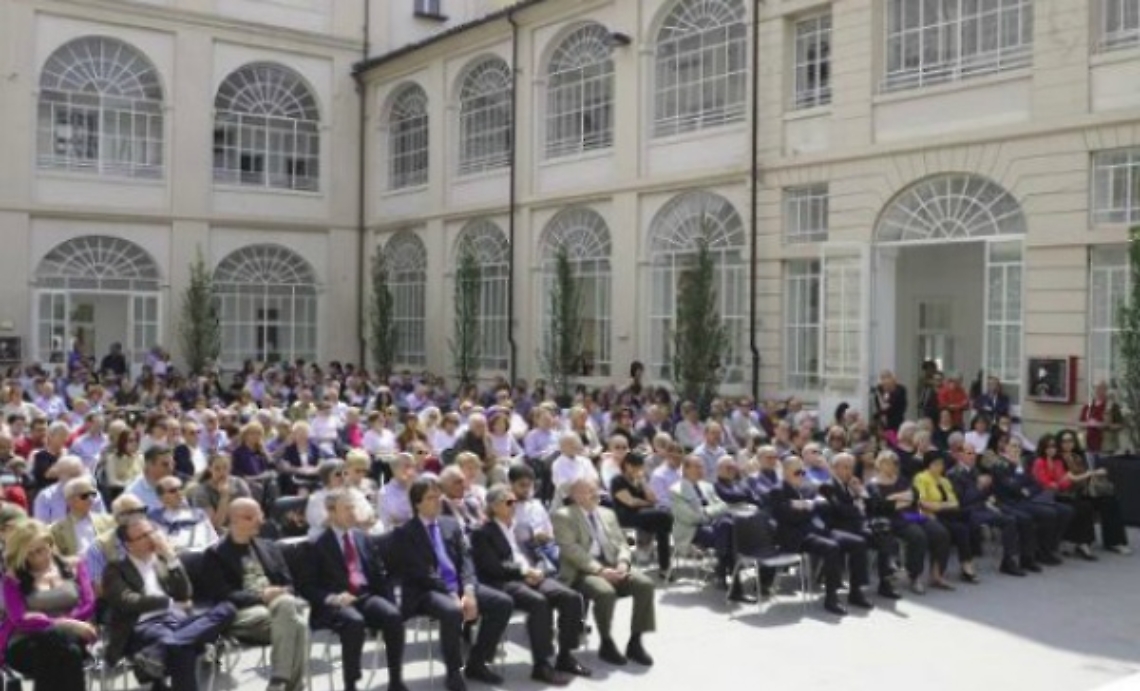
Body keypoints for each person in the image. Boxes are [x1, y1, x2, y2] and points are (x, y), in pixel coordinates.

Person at [391, 477, 513, 691]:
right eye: (431, 498)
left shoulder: (450, 524)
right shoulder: (405, 532)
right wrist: (450, 593)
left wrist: (469, 590)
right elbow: (421, 572)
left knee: (502, 603)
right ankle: (453, 671)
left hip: (460, 586)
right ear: (417, 503)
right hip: (425, 591)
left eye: (438, 497)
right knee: (452, 611)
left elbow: (466, 560)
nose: (437, 502)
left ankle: (477, 663)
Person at [471, 485, 590, 685]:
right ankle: (542, 665)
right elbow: (492, 566)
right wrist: (523, 572)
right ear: (494, 506)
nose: (514, 505)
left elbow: (538, 554)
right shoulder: (483, 532)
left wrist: (540, 570)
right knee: (539, 603)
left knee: (571, 597)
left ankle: (565, 656)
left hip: (533, 576)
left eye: (515, 501)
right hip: (505, 580)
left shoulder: (523, 527)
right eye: (509, 502)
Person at [102, 516, 237, 691]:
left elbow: (185, 592)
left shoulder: (162, 561)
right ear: (129, 545)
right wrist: (167, 603)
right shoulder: (115, 569)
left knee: (227, 609)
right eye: (142, 536)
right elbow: (127, 601)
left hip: (177, 621)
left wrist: (171, 557)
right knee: (183, 649)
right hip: (144, 626)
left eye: (151, 532)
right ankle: (165, 649)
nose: (151, 538)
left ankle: (159, 650)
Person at [200, 499, 309, 691]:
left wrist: (279, 592)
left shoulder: (269, 547)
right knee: (297, 623)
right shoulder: (215, 554)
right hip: (241, 613)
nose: (259, 521)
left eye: (260, 516)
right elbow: (222, 594)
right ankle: (289, 685)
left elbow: (289, 584)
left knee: (291, 613)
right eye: (250, 517)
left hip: (278, 609)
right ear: (233, 520)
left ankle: (279, 681)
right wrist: (261, 596)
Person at [552, 478, 655, 667]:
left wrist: (623, 562)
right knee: (605, 592)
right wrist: (600, 570)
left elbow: (623, 542)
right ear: (575, 496)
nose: (596, 494)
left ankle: (635, 642)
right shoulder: (563, 516)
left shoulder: (607, 513)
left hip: (613, 564)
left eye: (596, 490)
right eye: (589, 491)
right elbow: (571, 550)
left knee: (645, 585)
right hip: (582, 571)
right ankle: (606, 643)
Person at [0, 520, 97, 691]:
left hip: (71, 638)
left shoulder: (74, 566)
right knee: (66, 651)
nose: (38, 557)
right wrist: (66, 624)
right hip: (26, 642)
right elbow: (20, 620)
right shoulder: (13, 578)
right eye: (30, 554)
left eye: (41, 550)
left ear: (51, 544)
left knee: (62, 649)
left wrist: (54, 623)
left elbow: (88, 604)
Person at [769, 456, 872, 615]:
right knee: (831, 548)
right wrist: (810, 507)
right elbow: (789, 517)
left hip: (815, 530)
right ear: (785, 472)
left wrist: (806, 506)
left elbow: (823, 507)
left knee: (858, 542)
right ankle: (831, 597)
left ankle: (856, 591)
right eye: (797, 472)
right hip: (796, 536)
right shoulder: (778, 490)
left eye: (803, 472)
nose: (801, 475)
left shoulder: (804, 488)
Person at [818, 453, 903, 599]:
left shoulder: (851, 484)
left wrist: (861, 491)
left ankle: (886, 582)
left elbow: (873, 506)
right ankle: (857, 590)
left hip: (856, 525)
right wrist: (857, 505)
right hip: (838, 528)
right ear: (834, 468)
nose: (849, 471)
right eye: (845, 467)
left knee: (885, 534)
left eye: (851, 468)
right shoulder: (828, 486)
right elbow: (839, 510)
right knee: (861, 543)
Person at [947, 447, 1026, 576]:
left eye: (974, 453)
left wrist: (988, 491)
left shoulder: (975, 471)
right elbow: (961, 500)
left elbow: (986, 493)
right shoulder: (954, 473)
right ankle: (968, 563)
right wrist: (979, 487)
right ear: (960, 455)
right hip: (966, 511)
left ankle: (1008, 562)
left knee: (1010, 520)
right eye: (969, 453)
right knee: (973, 524)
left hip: (981, 507)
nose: (973, 456)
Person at [670, 455, 737, 596]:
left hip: (714, 525)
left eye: (702, 467)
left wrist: (706, 512)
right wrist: (711, 513)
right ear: (686, 469)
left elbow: (723, 506)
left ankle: (721, 572)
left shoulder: (707, 486)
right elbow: (691, 518)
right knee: (727, 530)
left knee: (727, 526)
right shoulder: (676, 490)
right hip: (691, 530)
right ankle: (728, 571)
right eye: (697, 467)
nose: (701, 470)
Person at [913, 454, 977, 583]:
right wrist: (943, 505)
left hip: (944, 514)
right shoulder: (921, 478)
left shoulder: (944, 481)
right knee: (944, 533)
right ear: (928, 465)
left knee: (962, 529)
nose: (939, 467)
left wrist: (938, 506)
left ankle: (966, 564)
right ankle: (937, 573)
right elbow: (922, 502)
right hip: (925, 515)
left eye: (941, 464)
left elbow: (955, 502)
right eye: (936, 464)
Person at [609, 452, 673, 574]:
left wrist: (643, 482)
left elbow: (653, 499)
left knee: (662, 526)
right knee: (664, 516)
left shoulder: (639, 481)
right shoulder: (617, 481)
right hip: (625, 515)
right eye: (637, 467)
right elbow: (631, 502)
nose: (639, 470)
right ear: (628, 466)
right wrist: (647, 503)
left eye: (641, 467)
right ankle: (667, 561)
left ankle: (664, 567)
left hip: (641, 514)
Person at [147, 475, 218, 552]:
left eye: (181, 488)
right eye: (173, 491)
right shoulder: (155, 519)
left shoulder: (199, 514)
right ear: (161, 497)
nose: (179, 493)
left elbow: (213, 540)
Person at [50, 475, 114, 557]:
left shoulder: (109, 521)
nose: (90, 499)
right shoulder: (55, 530)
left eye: (93, 494)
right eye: (84, 496)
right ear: (69, 500)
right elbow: (58, 559)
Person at [187, 453, 252, 533]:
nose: (222, 472)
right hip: (217, 533)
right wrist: (224, 496)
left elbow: (250, 511)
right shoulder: (201, 492)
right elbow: (214, 525)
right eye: (217, 469)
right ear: (210, 469)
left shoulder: (239, 483)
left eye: (225, 468)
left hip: (241, 528)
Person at [33, 455, 107, 523]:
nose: (77, 479)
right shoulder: (45, 497)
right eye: (72, 475)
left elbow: (102, 522)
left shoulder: (93, 494)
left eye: (79, 474)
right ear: (60, 475)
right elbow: (43, 526)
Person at [124, 444, 176, 511]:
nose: (171, 469)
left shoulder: (175, 487)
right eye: (165, 465)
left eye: (173, 464)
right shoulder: (133, 493)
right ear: (149, 465)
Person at [377, 452, 416, 528]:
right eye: (407, 466)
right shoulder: (385, 491)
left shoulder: (418, 487)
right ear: (394, 469)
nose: (410, 471)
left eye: (413, 467)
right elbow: (398, 514)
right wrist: (409, 492)